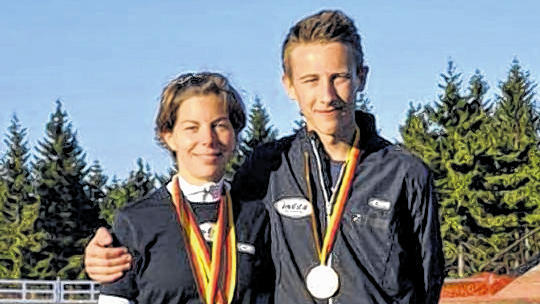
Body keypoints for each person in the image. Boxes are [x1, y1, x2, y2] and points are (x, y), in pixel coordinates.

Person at [85, 10, 445, 304]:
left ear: (361, 77)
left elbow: (427, 282)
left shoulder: (407, 173)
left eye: (339, 77)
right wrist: (104, 256)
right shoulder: (268, 166)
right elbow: (208, 220)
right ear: (288, 85)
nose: (326, 95)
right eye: (310, 80)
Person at [95, 72, 273, 304]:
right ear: (168, 136)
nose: (208, 139)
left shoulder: (259, 215)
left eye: (219, 125)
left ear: (235, 134)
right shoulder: (136, 221)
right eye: (192, 127)